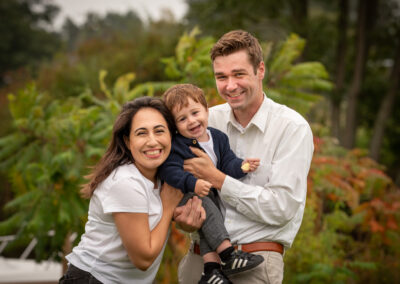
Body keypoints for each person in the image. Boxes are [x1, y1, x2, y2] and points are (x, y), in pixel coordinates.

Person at [177, 30, 314, 284]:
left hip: (255, 262)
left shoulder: (291, 127)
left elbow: (281, 208)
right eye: (221, 77)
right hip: (199, 262)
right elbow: (178, 181)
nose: (230, 86)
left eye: (238, 74)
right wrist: (185, 218)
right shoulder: (204, 121)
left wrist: (218, 179)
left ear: (260, 70)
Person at [59, 97, 205, 284]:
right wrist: (168, 208)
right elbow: (143, 259)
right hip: (93, 279)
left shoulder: (164, 177)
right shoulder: (125, 182)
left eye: (159, 131)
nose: (152, 141)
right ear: (128, 141)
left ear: (171, 136)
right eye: (141, 133)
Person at [159, 83, 263, 284]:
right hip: (184, 195)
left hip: (206, 194)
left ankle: (211, 270)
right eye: (182, 119)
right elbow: (169, 171)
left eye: (195, 113)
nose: (191, 121)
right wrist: (192, 183)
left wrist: (242, 166)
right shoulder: (177, 145)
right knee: (206, 207)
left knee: (208, 217)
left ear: (207, 111)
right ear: (175, 126)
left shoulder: (218, 138)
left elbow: (226, 163)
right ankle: (228, 256)